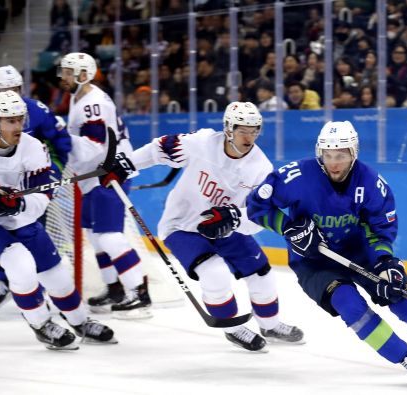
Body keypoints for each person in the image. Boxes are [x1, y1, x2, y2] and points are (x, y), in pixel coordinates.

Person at [244, 121, 407, 385]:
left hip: (360, 252)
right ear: (319, 151)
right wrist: (289, 227)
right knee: (350, 305)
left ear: (353, 152)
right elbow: (256, 206)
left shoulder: (370, 182)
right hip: (314, 261)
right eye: (328, 155)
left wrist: (386, 261)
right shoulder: (296, 176)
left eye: (341, 155)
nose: (334, 163)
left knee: (402, 298)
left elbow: (380, 228)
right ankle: (405, 357)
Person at [126, 101, 303, 352]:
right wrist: (128, 163)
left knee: (262, 273)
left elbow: (258, 217)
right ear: (229, 129)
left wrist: (234, 217)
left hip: (225, 228)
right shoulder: (202, 143)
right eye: (243, 130)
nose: (249, 136)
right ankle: (232, 327)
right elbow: (160, 148)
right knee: (215, 272)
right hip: (183, 225)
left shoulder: (261, 168)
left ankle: (270, 324)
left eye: (254, 130)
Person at [0, 90, 115, 349]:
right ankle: (42, 325)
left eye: (20, 119)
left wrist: (19, 203)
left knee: (57, 276)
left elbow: (41, 197)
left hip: (20, 219)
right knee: (19, 265)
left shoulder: (32, 147)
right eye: (11, 120)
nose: (18, 126)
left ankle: (80, 321)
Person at [57, 52, 151, 318]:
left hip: (108, 173)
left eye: (68, 72)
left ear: (83, 75)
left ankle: (139, 293)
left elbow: (94, 146)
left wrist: (57, 138)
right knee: (95, 237)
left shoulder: (92, 103)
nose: (63, 77)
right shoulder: (80, 97)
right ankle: (115, 288)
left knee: (109, 235)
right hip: (92, 176)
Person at [0, 65, 72, 312]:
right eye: (3, 89)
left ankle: (39, 290)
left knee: (32, 232)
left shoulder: (36, 109)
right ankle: (4, 280)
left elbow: (60, 141)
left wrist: (51, 171)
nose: (10, 93)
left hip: (27, 187)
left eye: (14, 88)